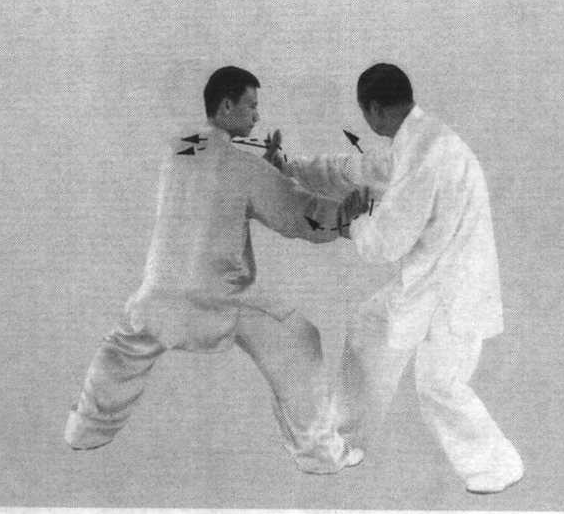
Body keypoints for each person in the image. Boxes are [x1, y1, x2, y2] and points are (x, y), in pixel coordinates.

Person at [64, 66, 366, 474]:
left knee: (120, 351)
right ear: (226, 105)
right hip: (217, 300)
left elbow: (211, 167)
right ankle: (321, 456)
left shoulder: (178, 149)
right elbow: (298, 216)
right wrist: (345, 215)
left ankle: (83, 431)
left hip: (156, 296)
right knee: (300, 338)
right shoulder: (245, 168)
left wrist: (264, 167)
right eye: (251, 106)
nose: (257, 116)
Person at [266, 63, 524, 493]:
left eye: (364, 114)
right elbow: (357, 170)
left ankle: (499, 467)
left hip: (455, 288)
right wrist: (290, 166)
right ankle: (345, 440)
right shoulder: (421, 137)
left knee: (438, 384)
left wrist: (353, 220)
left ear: (374, 110)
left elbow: (385, 244)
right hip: (432, 279)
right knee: (368, 328)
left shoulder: (425, 153)